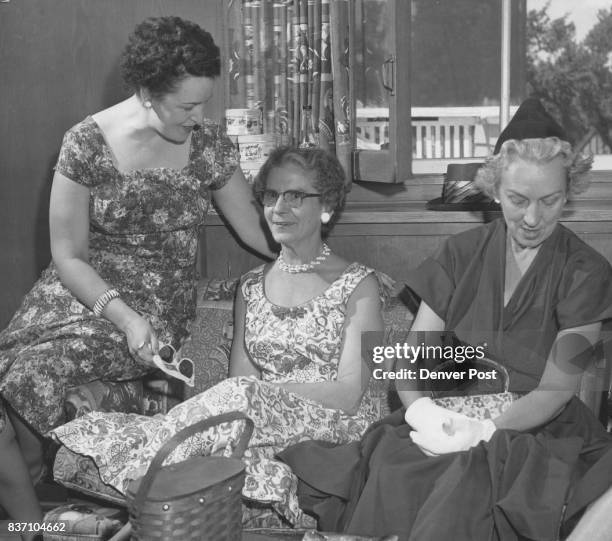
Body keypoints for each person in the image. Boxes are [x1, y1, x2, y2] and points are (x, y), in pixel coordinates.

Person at [278, 100, 612, 540]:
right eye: (518, 200)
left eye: (550, 201)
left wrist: (484, 430)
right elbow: (411, 364)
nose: (533, 218)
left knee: (469, 482)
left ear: (568, 193)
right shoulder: (459, 254)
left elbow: (556, 389)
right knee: (395, 468)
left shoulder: (586, 271)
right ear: (494, 188)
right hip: (449, 414)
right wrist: (423, 412)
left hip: (537, 430)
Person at [0, 16, 273, 535]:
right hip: (84, 295)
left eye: (205, 104)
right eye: (188, 106)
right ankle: (32, 528)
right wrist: (122, 317)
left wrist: (315, 252)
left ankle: (38, 507)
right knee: (14, 379)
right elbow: (68, 255)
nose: (200, 117)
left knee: (28, 378)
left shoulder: (209, 146)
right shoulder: (86, 142)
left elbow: (256, 231)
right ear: (148, 91)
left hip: (157, 303)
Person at [51, 146, 386, 528]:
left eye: (295, 197)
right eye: (271, 196)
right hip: (260, 427)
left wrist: (259, 395)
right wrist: (250, 399)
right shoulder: (251, 287)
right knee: (239, 462)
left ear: (326, 205)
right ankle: (146, 515)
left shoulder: (362, 285)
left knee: (239, 397)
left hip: (335, 427)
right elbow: (239, 384)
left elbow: (349, 392)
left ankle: (143, 463)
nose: (279, 208)